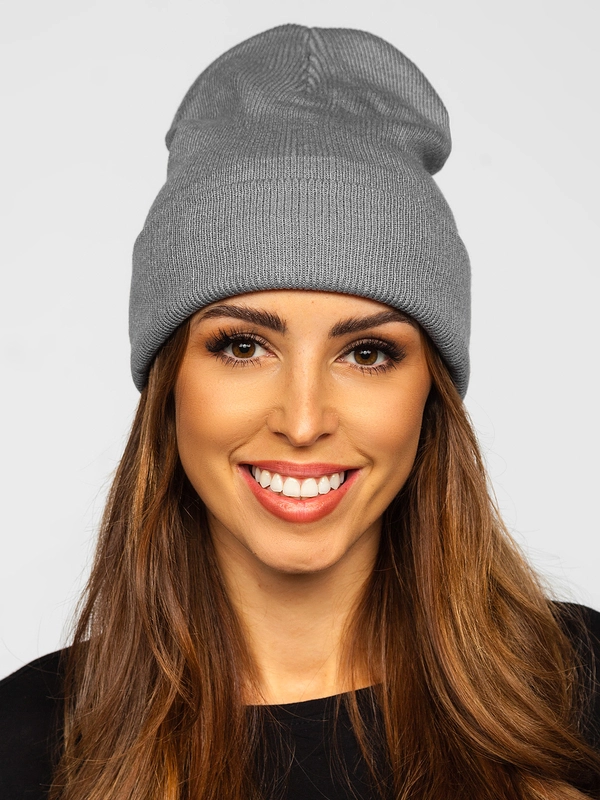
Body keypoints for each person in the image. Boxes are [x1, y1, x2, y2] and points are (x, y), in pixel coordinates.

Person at [1, 23, 599, 800]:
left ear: (431, 390)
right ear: (170, 381)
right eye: (243, 346)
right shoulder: (27, 744)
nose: (305, 419)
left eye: (368, 353)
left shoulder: (577, 693)